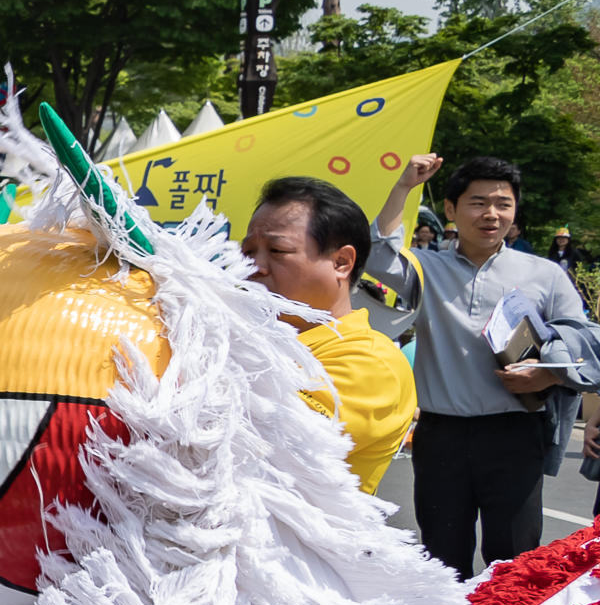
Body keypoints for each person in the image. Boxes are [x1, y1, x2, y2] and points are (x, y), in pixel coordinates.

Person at [373, 152, 600, 577]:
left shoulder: (544, 274)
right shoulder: (424, 267)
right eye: (477, 203)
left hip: (515, 435)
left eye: (503, 204)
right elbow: (376, 255)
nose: (491, 214)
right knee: (442, 559)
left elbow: (585, 338)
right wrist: (403, 186)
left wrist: (547, 373)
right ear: (450, 209)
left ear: (515, 212)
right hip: (441, 436)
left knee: (514, 560)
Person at [240, 176, 415, 493]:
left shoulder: (371, 361)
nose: (255, 266)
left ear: (341, 263)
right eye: (248, 251)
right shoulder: (253, 339)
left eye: (277, 250)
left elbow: (260, 441)